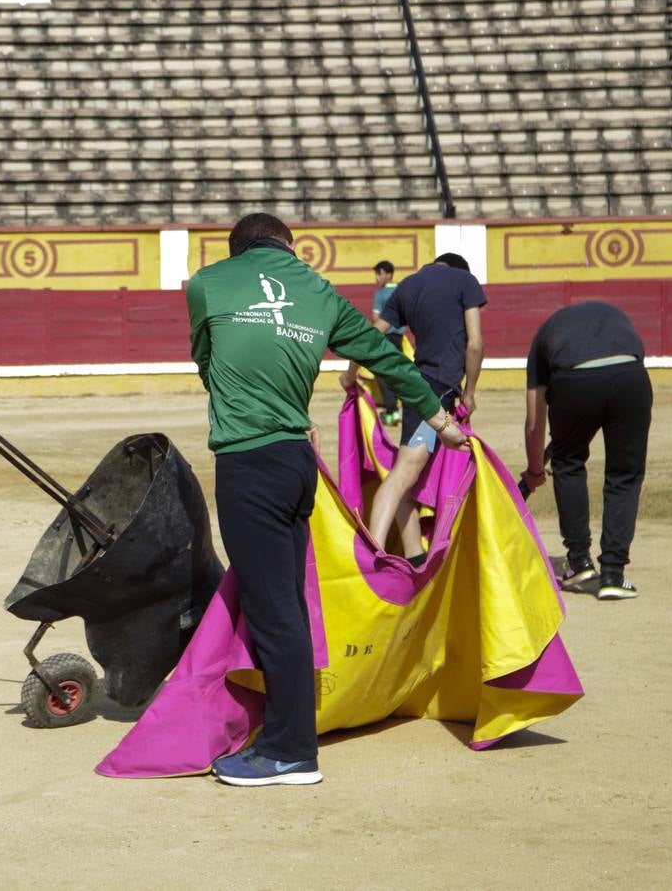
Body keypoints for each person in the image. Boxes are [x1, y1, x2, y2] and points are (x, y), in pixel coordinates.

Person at [186, 212, 466, 788]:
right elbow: (392, 361)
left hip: (248, 461)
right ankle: (286, 736)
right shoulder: (318, 290)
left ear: (236, 250)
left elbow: (207, 365)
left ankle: (290, 752)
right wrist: (439, 419)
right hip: (295, 463)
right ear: (289, 247)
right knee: (284, 599)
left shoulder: (208, 283)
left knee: (274, 608)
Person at [343, 252, 485, 565]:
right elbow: (475, 343)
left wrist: (350, 374)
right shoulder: (465, 280)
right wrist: (470, 392)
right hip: (438, 393)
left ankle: (415, 555)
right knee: (404, 473)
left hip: (416, 388)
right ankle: (373, 553)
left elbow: (369, 336)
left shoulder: (406, 286)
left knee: (408, 473)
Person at [521, 302, 651, 601]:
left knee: (568, 463)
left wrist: (535, 470)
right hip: (631, 378)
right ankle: (613, 574)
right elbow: (622, 369)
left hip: (574, 382)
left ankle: (579, 561)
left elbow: (533, 423)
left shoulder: (543, 337)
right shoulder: (616, 315)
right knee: (625, 474)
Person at [369, 260, 404, 425]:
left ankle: (392, 411)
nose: (376, 277)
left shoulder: (380, 294)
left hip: (384, 338)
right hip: (399, 339)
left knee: (384, 374)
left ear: (388, 274)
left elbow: (376, 318)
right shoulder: (401, 291)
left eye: (379, 273)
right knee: (399, 373)